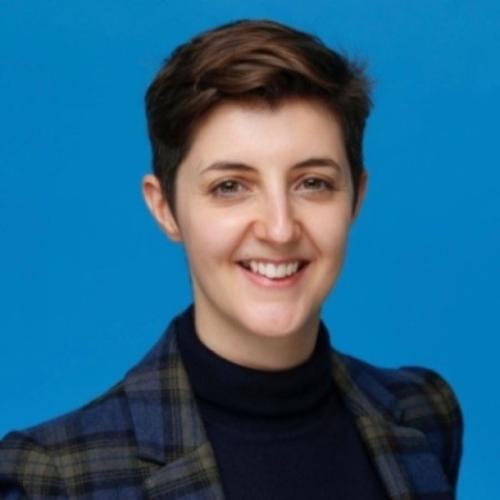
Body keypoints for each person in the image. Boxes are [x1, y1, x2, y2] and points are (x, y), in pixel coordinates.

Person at [0, 19, 463, 499]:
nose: (279, 229)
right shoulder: (53, 478)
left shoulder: (424, 414)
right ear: (165, 208)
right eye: (230, 187)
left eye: (313, 183)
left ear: (356, 198)